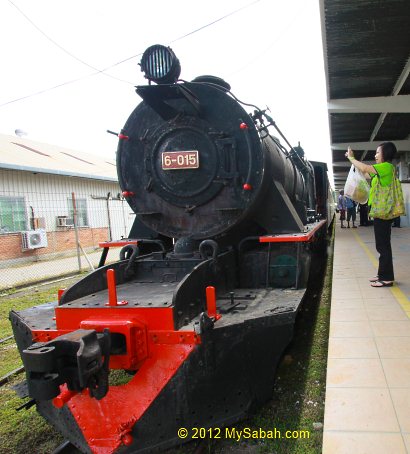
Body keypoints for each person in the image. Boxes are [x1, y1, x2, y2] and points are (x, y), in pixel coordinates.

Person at [346, 142, 399, 288]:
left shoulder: (386, 167)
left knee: (383, 246)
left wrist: (351, 159)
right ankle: (383, 273)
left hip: (382, 213)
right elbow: (364, 172)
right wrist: (353, 159)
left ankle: (386, 278)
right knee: (382, 245)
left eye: (377, 152)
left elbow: (364, 167)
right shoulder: (380, 171)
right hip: (379, 212)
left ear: (385, 154)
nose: (375, 155)